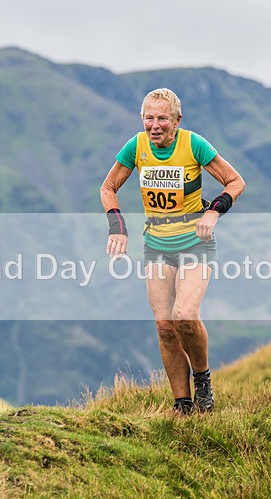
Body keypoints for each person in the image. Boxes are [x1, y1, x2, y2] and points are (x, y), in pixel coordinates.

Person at [99, 88, 245, 414]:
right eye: (148, 118)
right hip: (157, 245)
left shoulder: (194, 144)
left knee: (184, 316)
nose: (155, 125)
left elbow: (235, 182)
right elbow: (108, 188)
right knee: (165, 327)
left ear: (177, 120)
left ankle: (202, 380)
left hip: (195, 242)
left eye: (162, 118)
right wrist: (118, 227)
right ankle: (182, 405)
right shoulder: (136, 147)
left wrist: (213, 212)